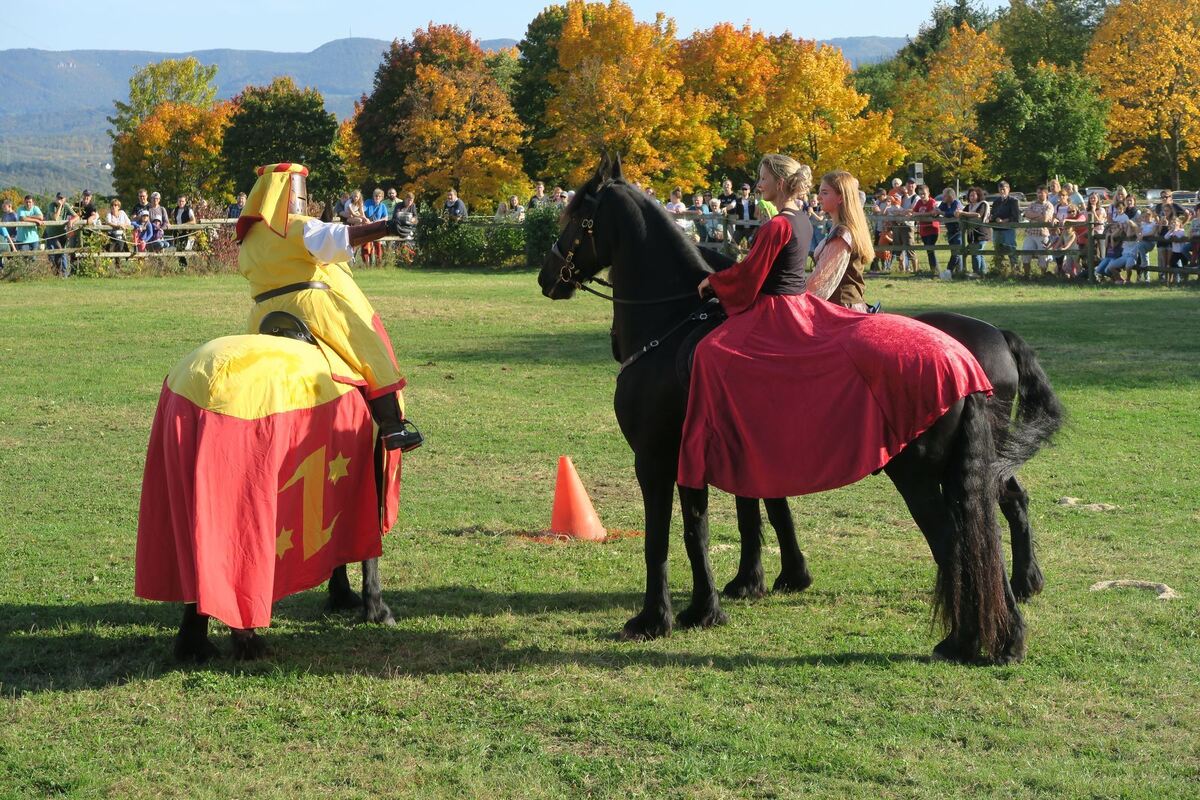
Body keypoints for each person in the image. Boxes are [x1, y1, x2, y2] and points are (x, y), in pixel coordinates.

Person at [678, 155, 992, 500]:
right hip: (799, 302)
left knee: (710, 351)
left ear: (781, 183)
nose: (758, 184)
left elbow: (752, 274)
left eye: (763, 177)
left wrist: (715, 283)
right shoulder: (801, 221)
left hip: (778, 307)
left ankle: (718, 447)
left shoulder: (778, 224)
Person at [236, 162, 422, 452]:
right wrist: (386, 226)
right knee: (367, 347)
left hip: (261, 314)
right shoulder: (297, 226)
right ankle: (392, 427)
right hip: (308, 307)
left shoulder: (248, 240)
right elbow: (338, 238)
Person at [808, 169, 875, 311]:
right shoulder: (839, 228)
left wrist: (795, 299)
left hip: (842, 309)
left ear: (840, 198)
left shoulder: (842, 233)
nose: (819, 197)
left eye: (825, 193)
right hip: (843, 306)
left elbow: (821, 278)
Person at [1021, 186, 1055, 276]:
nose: (1039, 194)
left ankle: (1043, 276)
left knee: (1043, 256)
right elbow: (1027, 214)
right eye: (1038, 193)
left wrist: (1033, 216)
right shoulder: (1032, 204)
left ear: (1046, 193)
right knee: (1025, 253)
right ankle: (1027, 275)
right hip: (1030, 233)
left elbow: (1045, 218)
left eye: (1041, 193)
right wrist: (1039, 215)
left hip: (1042, 234)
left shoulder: (1049, 205)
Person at [958, 187, 990, 275]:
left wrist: (963, 213)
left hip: (982, 234)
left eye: (973, 195)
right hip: (972, 235)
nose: (971, 197)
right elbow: (960, 213)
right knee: (979, 254)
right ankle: (983, 273)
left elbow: (978, 214)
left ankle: (976, 272)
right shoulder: (969, 206)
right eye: (970, 195)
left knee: (976, 253)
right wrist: (957, 212)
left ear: (978, 195)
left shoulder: (982, 204)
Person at [44, 193, 77, 276]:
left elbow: (77, 216)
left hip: (62, 234)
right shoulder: (52, 205)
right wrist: (59, 206)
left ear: (65, 199)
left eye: (62, 198)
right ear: (56, 198)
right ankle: (58, 272)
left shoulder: (66, 206)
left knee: (62, 252)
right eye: (58, 198)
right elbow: (55, 218)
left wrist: (71, 221)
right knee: (59, 251)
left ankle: (62, 273)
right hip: (52, 234)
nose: (60, 200)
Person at [911, 183, 940, 274]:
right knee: (928, 251)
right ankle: (933, 269)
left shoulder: (932, 202)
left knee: (931, 250)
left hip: (932, 229)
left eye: (924, 193)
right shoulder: (919, 202)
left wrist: (918, 214)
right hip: (923, 230)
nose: (922, 196)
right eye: (920, 194)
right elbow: (914, 211)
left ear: (928, 193)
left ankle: (934, 270)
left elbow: (932, 212)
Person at [938, 188, 964, 274]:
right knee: (954, 251)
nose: (943, 197)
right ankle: (959, 271)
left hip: (958, 231)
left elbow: (953, 213)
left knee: (956, 252)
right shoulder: (944, 203)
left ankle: (949, 270)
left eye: (944, 195)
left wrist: (942, 213)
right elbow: (938, 211)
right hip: (950, 231)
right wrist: (937, 212)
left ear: (950, 196)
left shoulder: (956, 203)